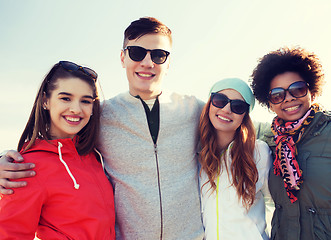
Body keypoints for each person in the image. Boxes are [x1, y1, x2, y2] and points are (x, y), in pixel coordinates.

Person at [0, 17, 204, 240]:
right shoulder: (102, 115)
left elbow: (237, 134)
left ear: (168, 62)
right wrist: (5, 160)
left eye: (158, 55)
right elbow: (54, 151)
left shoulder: (195, 111)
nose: (147, 63)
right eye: (137, 52)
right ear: (122, 57)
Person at [250, 46, 331, 239]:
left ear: (311, 90)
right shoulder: (270, 143)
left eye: (297, 89)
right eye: (278, 94)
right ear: (270, 103)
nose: (289, 98)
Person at [0, 61, 115, 239]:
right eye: (65, 98)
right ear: (46, 101)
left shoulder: (95, 156)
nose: (76, 109)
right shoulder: (28, 167)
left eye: (85, 101)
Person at [199, 78, 272, 240]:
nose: (226, 109)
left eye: (237, 106)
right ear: (210, 103)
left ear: (245, 116)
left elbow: (279, 204)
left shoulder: (258, 152)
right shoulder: (198, 156)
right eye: (220, 100)